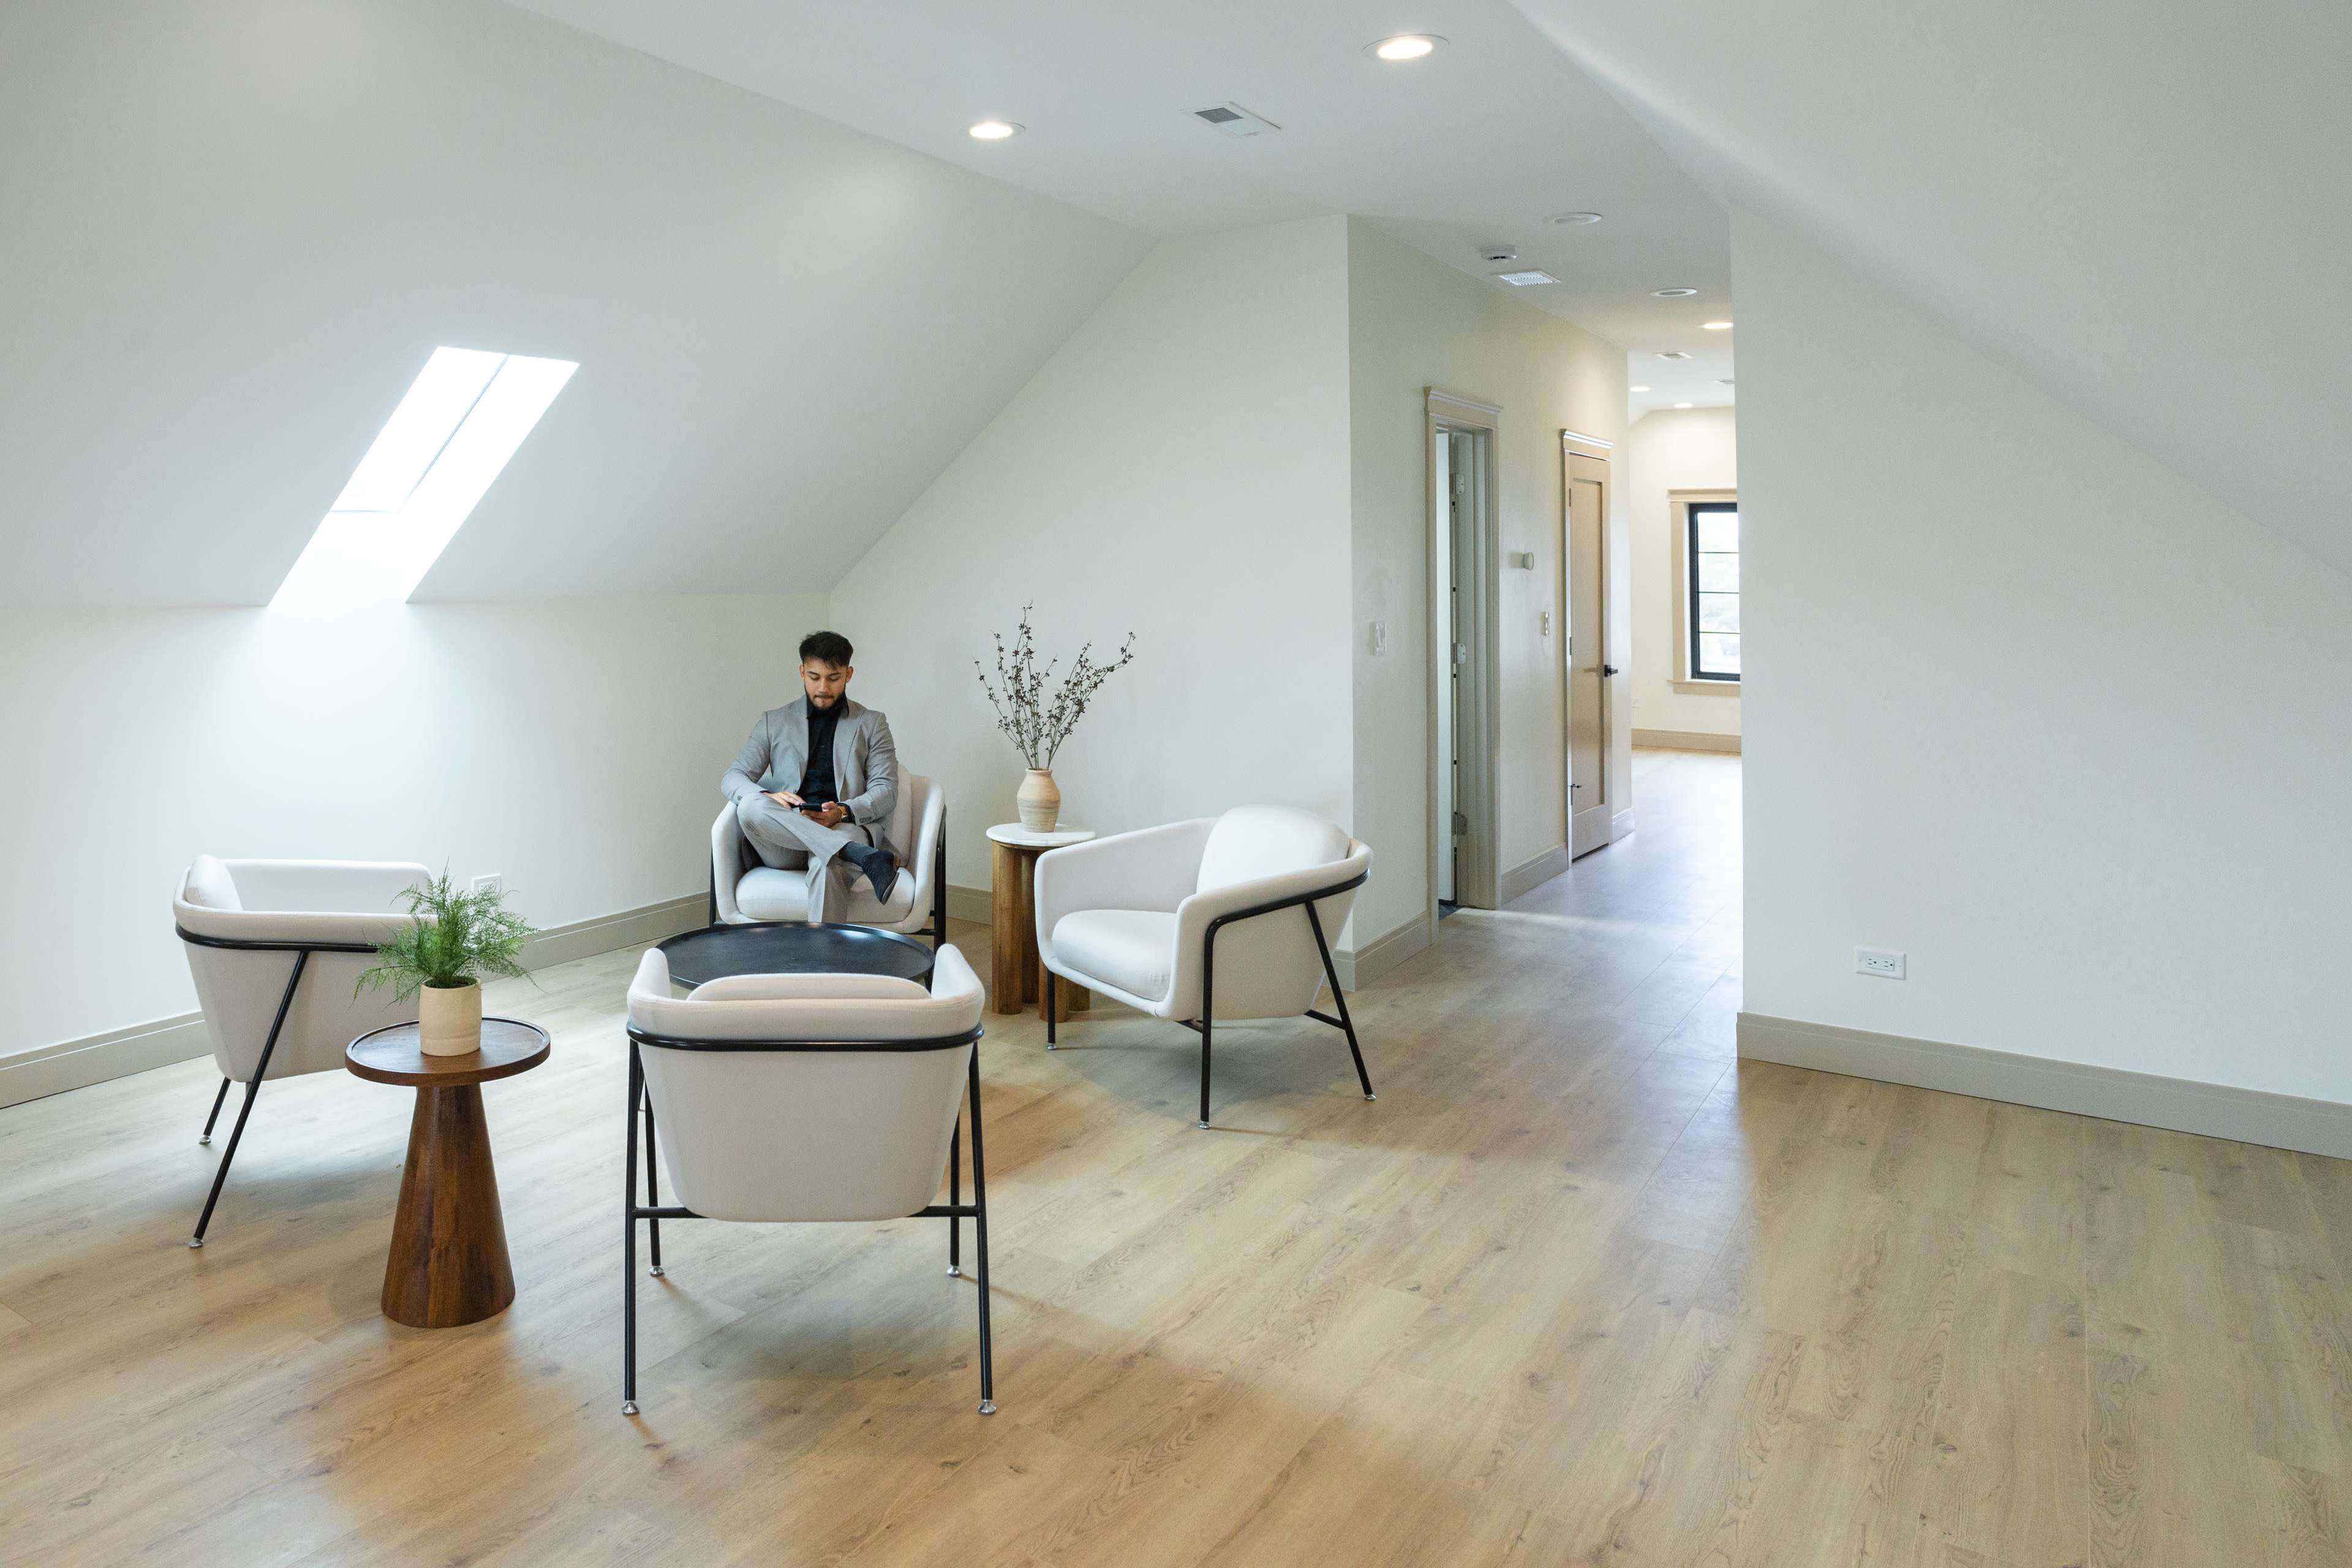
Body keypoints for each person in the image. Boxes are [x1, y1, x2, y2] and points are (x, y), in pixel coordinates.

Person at [720, 631, 901, 924]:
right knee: (751, 805)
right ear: (802, 672)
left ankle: (823, 965)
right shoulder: (774, 721)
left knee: (828, 864)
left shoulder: (871, 723)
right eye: (814, 677)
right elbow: (733, 777)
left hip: (841, 827)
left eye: (833, 677)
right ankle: (859, 855)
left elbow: (886, 790)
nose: (823, 687)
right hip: (783, 841)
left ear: (849, 674)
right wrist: (770, 796)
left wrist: (843, 812)